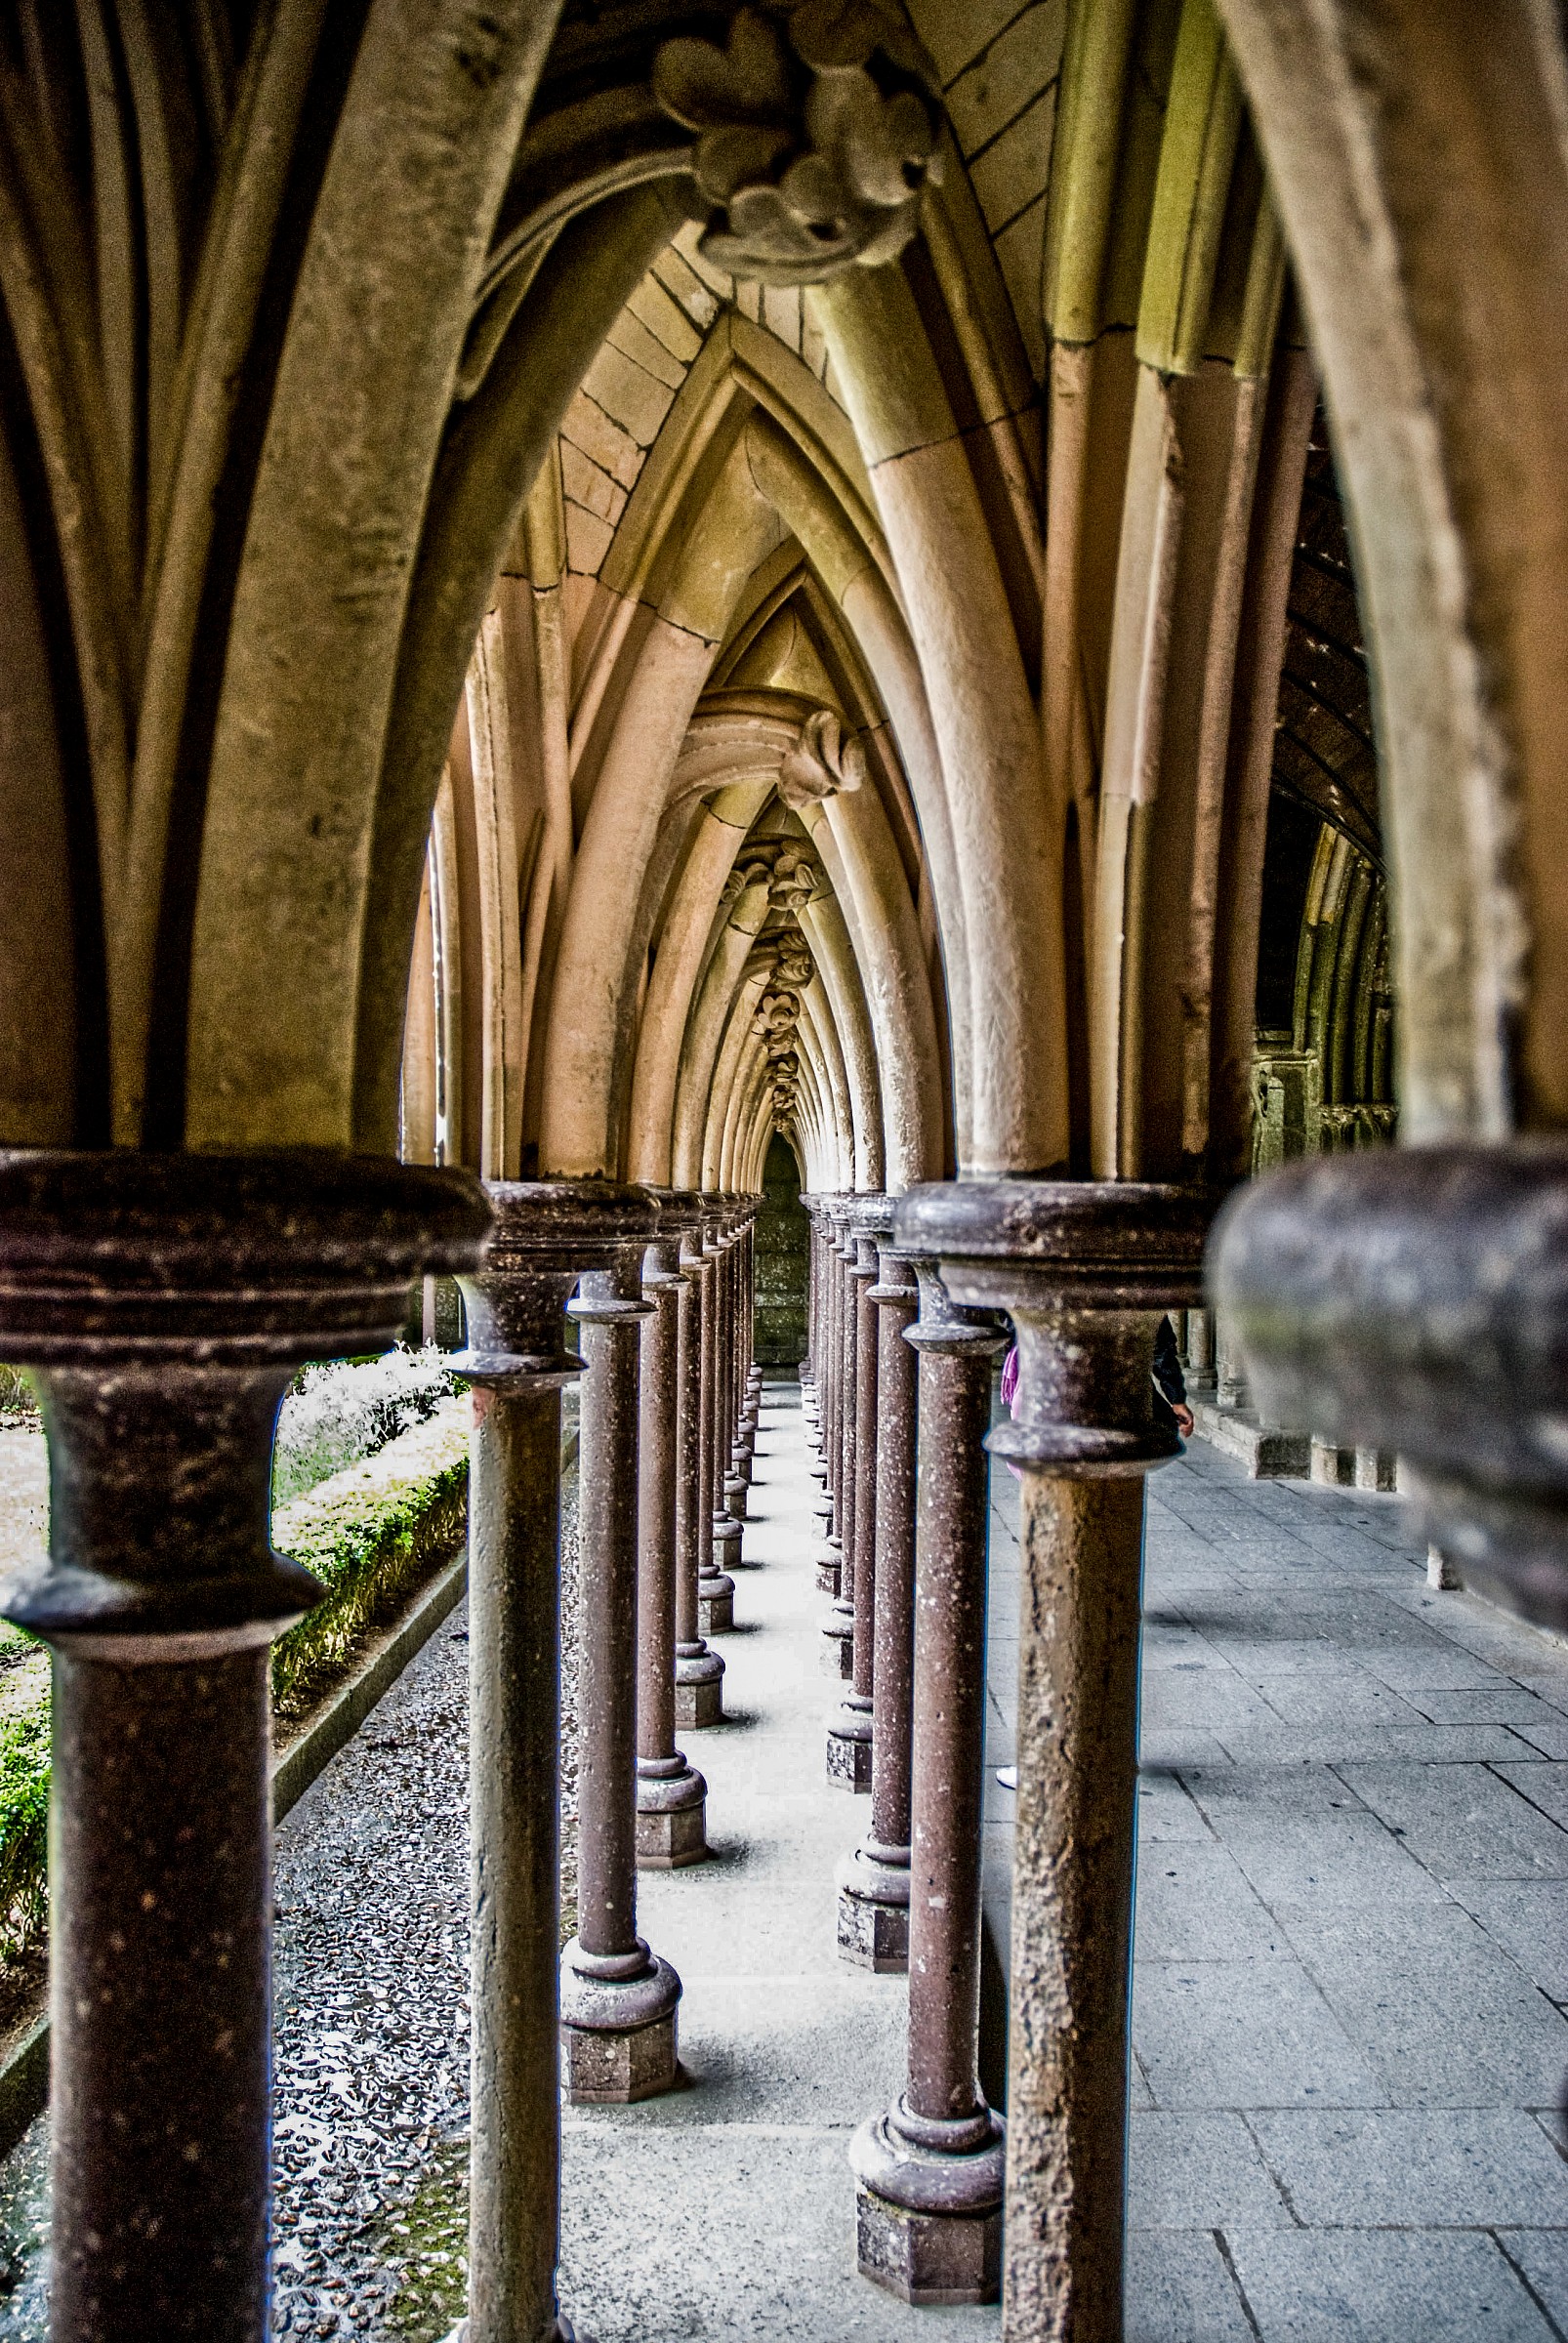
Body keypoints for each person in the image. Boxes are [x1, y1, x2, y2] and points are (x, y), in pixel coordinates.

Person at [993, 1316, 1192, 1791]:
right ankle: (1097, 1742)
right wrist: (1173, 1390)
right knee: (1090, 1583)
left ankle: (1061, 1752)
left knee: (1064, 1588)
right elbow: (1157, 1325)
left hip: (1053, 1403)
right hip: (1110, 1404)